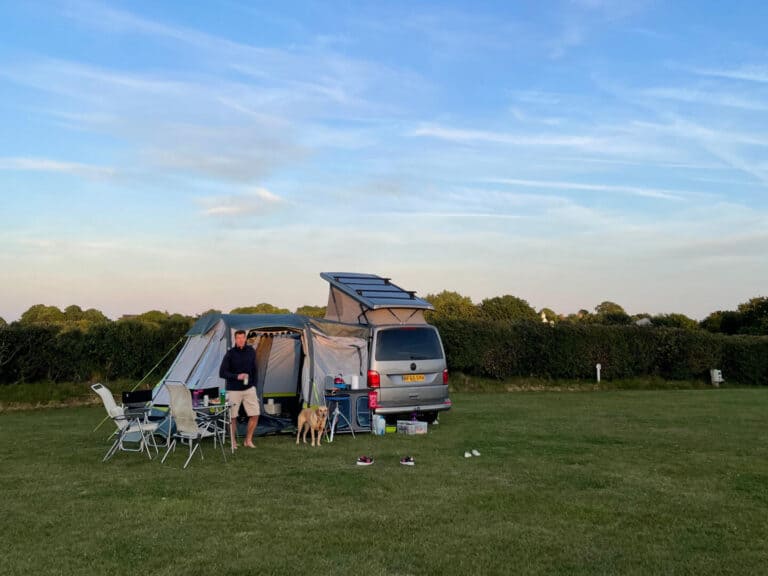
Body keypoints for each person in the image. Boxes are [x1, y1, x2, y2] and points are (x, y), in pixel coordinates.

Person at [219, 329, 259, 449]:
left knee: (255, 414)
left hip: (249, 389)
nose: (241, 340)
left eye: (243, 338)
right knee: (232, 417)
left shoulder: (251, 351)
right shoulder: (230, 354)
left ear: (245, 339)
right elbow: (222, 373)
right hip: (234, 390)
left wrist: (254, 384)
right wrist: (237, 376)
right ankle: (233, 441)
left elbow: (254, 369)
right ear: (235, 339)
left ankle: (248, 440)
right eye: (238, 338)